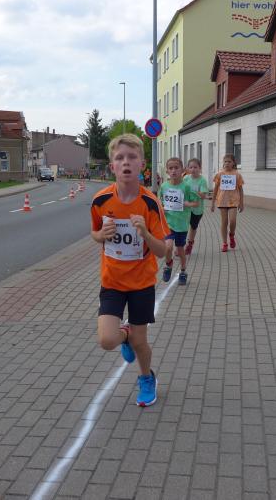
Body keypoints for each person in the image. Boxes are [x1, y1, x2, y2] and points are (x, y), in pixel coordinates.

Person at [90, 134, 169, 407]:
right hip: (112, 281)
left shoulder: (150, 203)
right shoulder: (100, 200)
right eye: (119, 158)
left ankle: (146, 377)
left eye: (132, 157)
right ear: (112, 166)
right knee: (106, 340)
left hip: (141, 284)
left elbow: (163, 251)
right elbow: (94, 233)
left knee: (140, 342)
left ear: (142, 165)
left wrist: (145, 233)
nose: (126, 162)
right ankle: (124, 334)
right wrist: (101, 235)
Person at [158, 157, 199, 285]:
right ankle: (168, 265)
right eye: (171, 168)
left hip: (181, 224)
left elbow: (196, 203)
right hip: (168, 223)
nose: (174, 171)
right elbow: (159, 202)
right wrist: (161, 208)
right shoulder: (164, 186)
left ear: (182, 170)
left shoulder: (186, 187)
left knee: (180, 250)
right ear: (167, 171)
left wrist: (188, 204)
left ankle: (183, 270)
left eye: (176, 168)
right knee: (168, 247)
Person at [210, 153, 244, 252]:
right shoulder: (219, 174)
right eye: (225, 161)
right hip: (222, 201)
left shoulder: (237, 174)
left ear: (233, 163)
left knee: (232, 220)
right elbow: (215, 189)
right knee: (224, 222)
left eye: (229, 161)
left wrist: (241, 203)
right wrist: (212, 203)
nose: (227, 163)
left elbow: (240, 189)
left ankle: (231, 234)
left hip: (233, 201)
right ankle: (224, 243)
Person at [183, 158, 208, 256]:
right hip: (186, 208)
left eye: (195, 167)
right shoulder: (186, 178)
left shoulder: (202, 180)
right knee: (183, 226)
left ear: (200, 168)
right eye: (191, 167)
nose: (193, 169)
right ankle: (180, 246)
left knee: (193, 227)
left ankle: (190, 243)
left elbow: (203, 196)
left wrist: (195, 192)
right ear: (188, 168)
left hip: (197, 209)